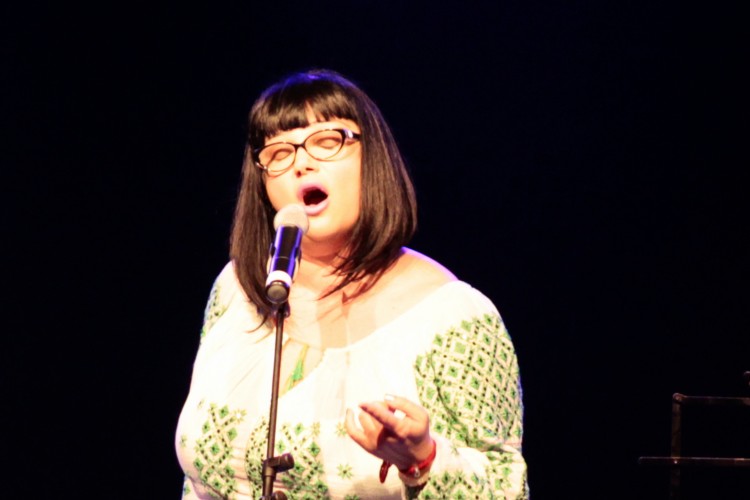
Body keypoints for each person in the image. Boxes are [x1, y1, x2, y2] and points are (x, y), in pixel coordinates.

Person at [175, 69, 528, 499]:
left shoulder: (452, 317)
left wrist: (422, 461)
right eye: (279, 152)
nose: (302, 163)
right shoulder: (236, 289)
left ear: (371, 160)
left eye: (328, 141)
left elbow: (506, 488)